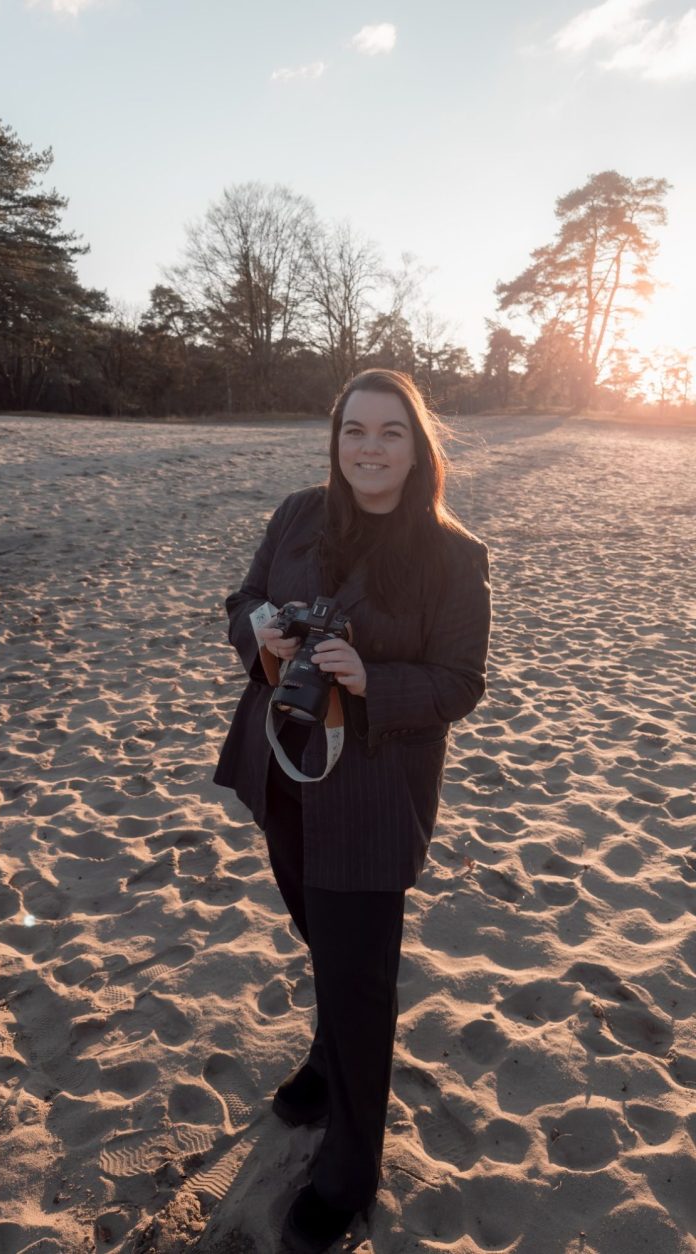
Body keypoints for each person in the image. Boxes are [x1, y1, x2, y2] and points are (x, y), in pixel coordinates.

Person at [213, 368, 491, 1253]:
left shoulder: (455, 556)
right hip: (284, 776)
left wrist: (375, 680)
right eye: (354, 432)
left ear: (419, 449)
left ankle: (352, 1167)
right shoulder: (298, 514)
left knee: (362, 977)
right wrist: (258, 631)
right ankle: (327, 1063)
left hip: (372, 794)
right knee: (318, 937)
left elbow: (460, 683)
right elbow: (240, 601)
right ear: (335, 442)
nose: (369, 449)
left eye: (390, 433)